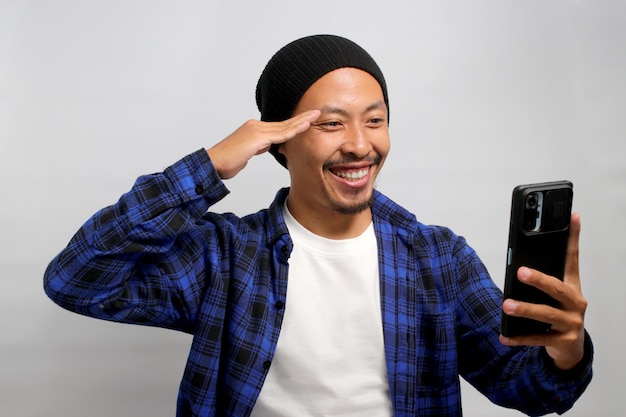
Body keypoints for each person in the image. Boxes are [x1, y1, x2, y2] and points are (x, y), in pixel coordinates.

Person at [44, 34, 592, 416]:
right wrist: (209, 166)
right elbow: (76, 280)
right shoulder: (228, 256)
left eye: (375, 120)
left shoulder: (438, 259)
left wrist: (564, 350)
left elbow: (528, 390)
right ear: (279, 140)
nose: (360, 144)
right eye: (331, 123)